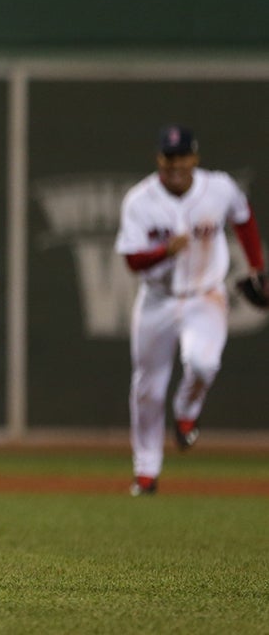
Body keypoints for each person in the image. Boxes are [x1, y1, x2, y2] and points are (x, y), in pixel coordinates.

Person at [114, 124, 264, 496]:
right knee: (147, 389)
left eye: (182, 157)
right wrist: (164, 251)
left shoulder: (219, 188)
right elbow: (132, 260)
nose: (176, 165)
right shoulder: (139, 200)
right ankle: (146, 473)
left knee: (203, 363)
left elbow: (243, 217)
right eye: (169, 157)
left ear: (194, 158)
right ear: (159, 159)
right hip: (157, 301)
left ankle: (186, 411)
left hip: (204, 296)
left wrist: (257, 267)